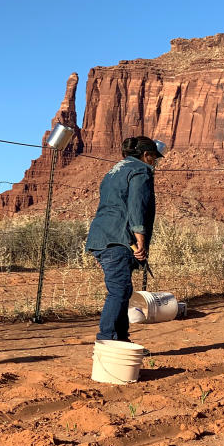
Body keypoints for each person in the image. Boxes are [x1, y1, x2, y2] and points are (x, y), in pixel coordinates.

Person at [85, 136, 163, 341]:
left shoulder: (114, 171)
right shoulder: (141, 171)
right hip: (118, 240)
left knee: (123, 289)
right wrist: (141, 242)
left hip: (101, 236)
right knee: (119, 290)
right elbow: (137, 207)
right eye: (154, 157)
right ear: (146, 155)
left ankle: (121, 338)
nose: (155, 162)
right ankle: (107, 339)